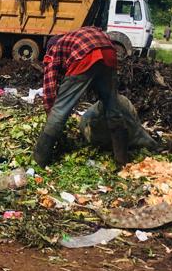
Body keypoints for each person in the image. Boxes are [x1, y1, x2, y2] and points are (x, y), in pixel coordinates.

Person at [34, 26, 128, 168]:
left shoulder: (54, 49)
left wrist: (50, 112)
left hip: (86, 56)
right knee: (112, 107)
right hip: (109, 52)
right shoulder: (73, 37)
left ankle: (39, 159)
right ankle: (122, 160)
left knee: (60, 110)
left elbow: (49, 86)